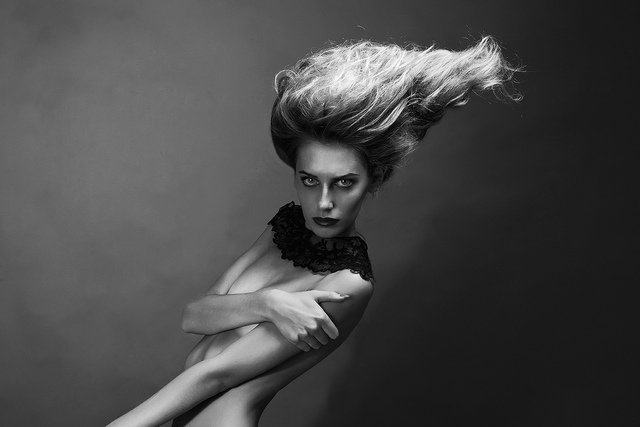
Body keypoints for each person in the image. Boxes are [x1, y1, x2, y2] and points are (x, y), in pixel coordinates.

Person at [108, 35, 520, 427]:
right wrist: (269, 303)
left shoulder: (347, 284)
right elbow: (194, 317)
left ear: (374, 179)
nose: (323, 202)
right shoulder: (287, 226)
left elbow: (216, 375)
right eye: (310, 180)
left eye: (344, 183)